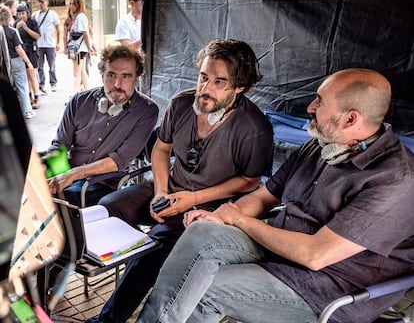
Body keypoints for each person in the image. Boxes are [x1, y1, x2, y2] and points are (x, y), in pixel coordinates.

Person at [137, 68, 414, 323]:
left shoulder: (394, 179)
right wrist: (219, 216)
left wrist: (240, 220)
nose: (310, 108)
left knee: (203, 287)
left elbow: (314, 255)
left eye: (319, 102)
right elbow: (263, 197)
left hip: (327, 288)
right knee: (202, 232)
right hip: (278, 250)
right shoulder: (319, 146)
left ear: (350, 118)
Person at [86, 38, 274, 323]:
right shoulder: (182, 103)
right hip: (170, 188)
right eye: (203, 77)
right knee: (107, 206)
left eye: (219, 82)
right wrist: (160, 192)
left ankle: (105, 321)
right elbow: (161, 149)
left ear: (240, 87)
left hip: (210, 206)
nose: (205, 89)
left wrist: (194, 199)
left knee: (151, 250)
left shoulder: (254, 127)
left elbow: (249, 181)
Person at [46, 44, 159, 207]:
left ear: (137, 78)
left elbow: (118, 161)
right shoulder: (79, 101)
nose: (118, 84)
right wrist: (53, 173)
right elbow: (59, 145)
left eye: (126, 76)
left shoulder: (146, 111)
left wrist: (72, 175)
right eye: (111, 75)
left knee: (58, 203)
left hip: (102, 183)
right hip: (67, 173)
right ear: (102, 75)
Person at [0, 6, 35, 119]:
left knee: (7, 87)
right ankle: (27, 111)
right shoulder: (12, 31)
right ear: (9, 18)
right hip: (16, 61)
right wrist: (28, 62)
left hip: (4, 63)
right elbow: (19, 49)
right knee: (22, 86)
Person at [66, 0, 95, 97]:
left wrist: (90, 47)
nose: (71, 6)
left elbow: (85, 33)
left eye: (73, 4)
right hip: (77, 49)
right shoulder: (78, 17)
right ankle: (88, 92)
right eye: (70, 4)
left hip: (79, 50)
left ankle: (74, 95)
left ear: (79, 5)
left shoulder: (81, 17)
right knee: (81, 71)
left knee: (76, 73)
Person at [15, 4, 41, 109]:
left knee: (32, 76)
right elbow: (14, 38)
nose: (21, 16)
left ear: (27, 13)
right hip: (22, 51)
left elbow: (37, 36)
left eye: (23, 13)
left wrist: (26, 28)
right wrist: (16, 28)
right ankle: (29, 97)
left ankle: (37, 98)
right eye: (19, 14)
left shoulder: (32, 22)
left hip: (32, 50)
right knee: (26, 77)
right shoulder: (16, 23)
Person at [32, 0, 60, 93]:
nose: (40, 4)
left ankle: (53, 83)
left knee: (51, 65)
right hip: (39, 44)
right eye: (39, 2)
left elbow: (58, 29)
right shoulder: (35, 14)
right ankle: (41, 84)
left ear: (47, 2)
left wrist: (58, 42)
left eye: (42, 2)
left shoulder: (53, 14)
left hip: (50, 44)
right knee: (40, 66)